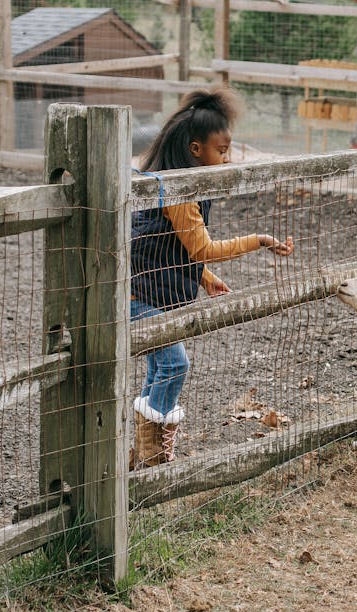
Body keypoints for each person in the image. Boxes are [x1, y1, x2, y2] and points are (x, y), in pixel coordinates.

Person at [129, 87, 294, 470]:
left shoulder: (178, 183)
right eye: (222, 151)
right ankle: (153, 457)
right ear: (195, 149)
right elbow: (201, 247)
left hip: (152, 290)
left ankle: (144, 454)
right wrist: (259, 240)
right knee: (174, 365)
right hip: (142, 296)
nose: (227, 158)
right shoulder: (180, 193)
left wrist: (203, 277)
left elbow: (172, 246)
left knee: (160, 367)